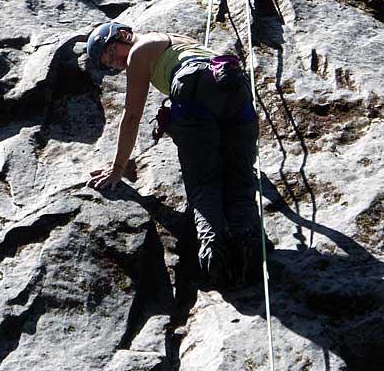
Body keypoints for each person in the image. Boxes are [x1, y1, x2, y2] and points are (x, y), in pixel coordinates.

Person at [85, 22, 262, 287]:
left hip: (192, 88)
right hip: (233, 86)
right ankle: (248, 241)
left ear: (123, 35)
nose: (116, 62)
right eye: (110, 63)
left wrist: (118, 167)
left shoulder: (138, 51)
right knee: (240, 179)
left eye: (112, 52)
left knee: (203, 182)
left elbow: (132, 115)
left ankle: (216, 259)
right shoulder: (182, 38)